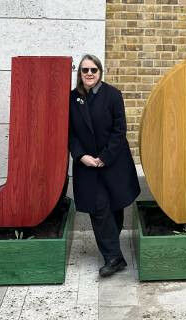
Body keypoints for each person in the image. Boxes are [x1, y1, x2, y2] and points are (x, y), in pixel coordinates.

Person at [69, 54, 140, 277]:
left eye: (93, 70)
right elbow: (69, 132)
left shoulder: (113, 95)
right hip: (87, 165)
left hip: (113, 162)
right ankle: (114, 257)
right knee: (99, 209)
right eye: (84, 70)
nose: (89, 74)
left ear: (100, 72)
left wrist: (104, 157)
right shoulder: (72, 98)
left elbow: (120, 130)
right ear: (80, 74)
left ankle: (111, 247)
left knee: (115, 209)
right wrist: (81, 156)